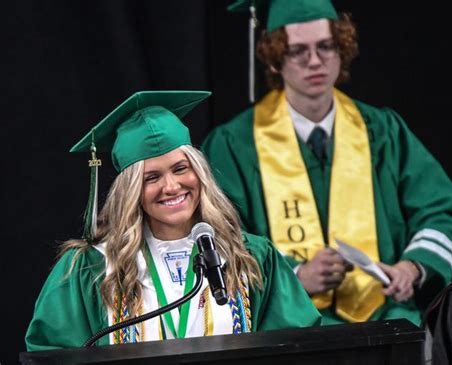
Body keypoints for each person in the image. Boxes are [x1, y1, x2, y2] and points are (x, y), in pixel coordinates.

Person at [201, 0, 452, 326]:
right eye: (298, 50)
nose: (315, 61)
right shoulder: (234, 144)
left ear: (342, 50)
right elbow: (222, 236)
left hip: (386, 318)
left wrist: (412, 267)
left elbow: (441, 211)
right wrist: (294, 275)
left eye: (326, 46)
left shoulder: (382, 131)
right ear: (274, 60)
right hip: (287, 323)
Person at [25, 90, 321, 351]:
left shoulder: (250, 256)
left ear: (199, 172)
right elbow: (53, 353)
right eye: (151, 177)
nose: (171, 186)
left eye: (181, 168)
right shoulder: (91, 268)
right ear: (130, 191)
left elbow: (294, 345)